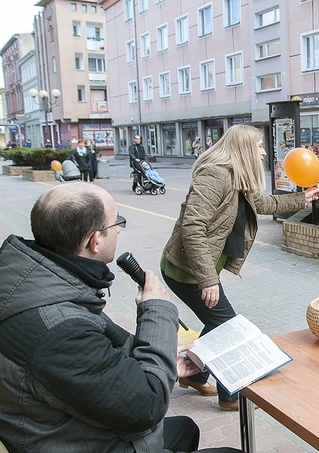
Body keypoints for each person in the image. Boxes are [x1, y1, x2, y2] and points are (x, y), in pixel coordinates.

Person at [0, 183, 241, 453]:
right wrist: (156, 309)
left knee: (185, 427)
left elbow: (97, 358)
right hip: (81, 442)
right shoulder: (58, 328)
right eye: (117, 223)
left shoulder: (41, 282)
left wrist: (164, 361)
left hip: (67, 427)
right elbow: (147, 406)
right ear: (95, 240)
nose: (118, 230)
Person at [161, 124, 319, 411]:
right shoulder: (215, 174)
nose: (263, 152)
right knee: (228, 326)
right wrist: (208, 280)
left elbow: (263, 203)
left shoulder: (240, 176)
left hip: (200, 270)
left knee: (216, 322)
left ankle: (196, 375)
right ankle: (229, 396)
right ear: (244, 149)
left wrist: (303, 197)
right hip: (185, 270)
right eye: (259, 146)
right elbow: (193, 227)